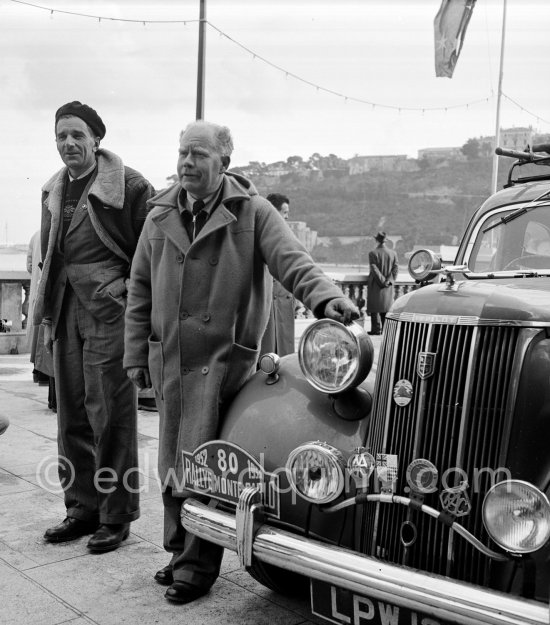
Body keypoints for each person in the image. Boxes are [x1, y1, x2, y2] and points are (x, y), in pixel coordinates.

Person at [123, 120, 358, 605]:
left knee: (212, 464)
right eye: (182, 152)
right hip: (171, 359)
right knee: (173, 460)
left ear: (224, 163)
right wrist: (134, 353)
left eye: (199, 155)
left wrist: (325, 298)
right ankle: (177, 549)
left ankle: (197, 564)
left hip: (223, 363)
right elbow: (139, 286)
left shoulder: (253, 211)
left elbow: (291, 260)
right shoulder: (159, 213)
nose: (186, 163)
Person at [33, 101, 155, 551]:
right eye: (61, 135)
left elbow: (152, 253)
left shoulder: (130, 185)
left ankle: (116, 515)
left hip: (110, 312)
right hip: (65, 308)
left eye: (77, 135)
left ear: (97, 139)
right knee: (72, 416)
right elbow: (50, 257)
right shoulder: (52, 190)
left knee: (111, 416)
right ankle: (80, 508)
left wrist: (125, 293)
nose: (68, 143)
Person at [259, 192, 296, 357]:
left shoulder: (287, 235)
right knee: (268, 354)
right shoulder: (259, 235)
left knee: (284, 353)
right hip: (269, 304)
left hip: (283, 302)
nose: (287, 217)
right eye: (285, 212)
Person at [27, 229, 56, 411]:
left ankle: (41, 374)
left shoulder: (36, 235)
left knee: (46, 345)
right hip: (52, 293)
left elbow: (30, 266)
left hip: (42, 291)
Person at [366, 231, 399, 335]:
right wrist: (388, 281)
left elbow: (374, 269)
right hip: (388, 286)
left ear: (376, 240)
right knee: (385, 308)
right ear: (386, 240)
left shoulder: (372, 253)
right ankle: (386, 329)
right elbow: (395, 269)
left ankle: (376, 330)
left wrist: (382, 281)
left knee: (375, 308)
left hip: (376, 284)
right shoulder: (393, 253)